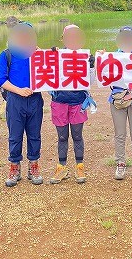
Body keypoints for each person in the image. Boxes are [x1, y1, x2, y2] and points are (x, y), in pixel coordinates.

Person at [0, 22, 44, 187]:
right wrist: (18, 90)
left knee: (34, 135)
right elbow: (0, 79)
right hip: (15, 100)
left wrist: (48, 54)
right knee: (15, 136)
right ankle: (14, 168)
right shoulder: (6, 55)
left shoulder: (38, 54)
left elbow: (54, 71)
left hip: (35, 99)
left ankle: (34, 167)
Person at [49, 24, 96, 185]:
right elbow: (46, 77)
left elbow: (90, 82)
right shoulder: (56, 55)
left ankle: (79, 166)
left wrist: (91, 65)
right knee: (62, 137)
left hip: (78, 102)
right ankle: (61, 167)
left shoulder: (85, 56)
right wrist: (49, 57)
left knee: (77, 135)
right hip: (59, 101)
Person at [105, 26, 132, 180]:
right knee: (120, 133)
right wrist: (101, 58)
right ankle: (120, 163)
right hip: (117, 98)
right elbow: (103, 75)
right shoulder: (112, 57)